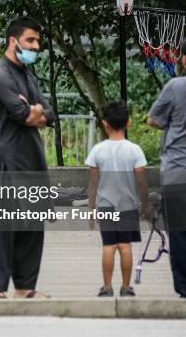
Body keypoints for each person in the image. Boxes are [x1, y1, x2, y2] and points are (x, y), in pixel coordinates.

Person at [0, 16, 56, 299]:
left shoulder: (27, 75)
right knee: (1, 227)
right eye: (30, 40)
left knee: (32, 225)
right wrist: (32, 112)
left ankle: (26, 288)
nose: (36, 46)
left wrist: (36, 111)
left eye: (37, 41)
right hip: (5, 161)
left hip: (31, 160)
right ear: (13, 41)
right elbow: (22, 114)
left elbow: (48, 115)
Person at [85, 100, 148, 297]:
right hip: (128, 206)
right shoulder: (135, 150)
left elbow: (93, 184)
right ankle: (126, 287)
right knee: (125, 246)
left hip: (106, 206)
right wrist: (145, 204)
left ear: (105, 124)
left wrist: (91, 208)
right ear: (128, 123)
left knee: (109, 246)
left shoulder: (97, 150)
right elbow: (141, 182)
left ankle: (107, 287)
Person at [147, 39, 186, 298]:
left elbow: (153, 120)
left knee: (180, 232)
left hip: (177, 170)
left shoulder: (175, 87)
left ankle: (184, 287)